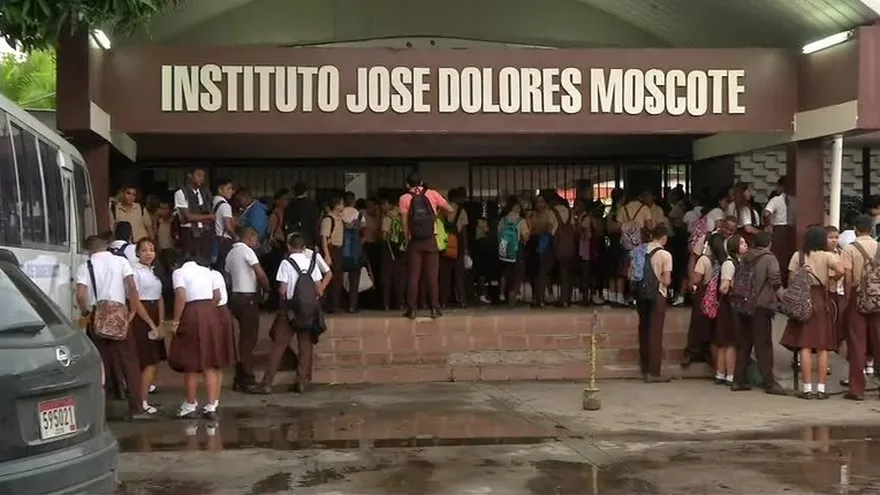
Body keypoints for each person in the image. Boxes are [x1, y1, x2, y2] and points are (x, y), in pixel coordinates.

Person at [74, 235, 158, 420]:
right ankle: (136, 409)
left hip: (98, 316)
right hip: (120, 315)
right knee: (130, 363)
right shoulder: (121, 261)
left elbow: (80, 294)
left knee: (100, 364)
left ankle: (99, 412)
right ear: (107, 247)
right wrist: (132, 312)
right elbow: (131, 288)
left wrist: (86, 312)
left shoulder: (85, 266)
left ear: (90, 250)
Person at [253, 232, 331, 394]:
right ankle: (301, 382)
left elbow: (283, 289)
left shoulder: (286, 263)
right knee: (305, 345)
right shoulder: (311, 263)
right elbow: (318, 289)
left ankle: (267, 384)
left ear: (289, 246)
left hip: (289, 310)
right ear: (304, 248)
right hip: (308, 310)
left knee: (279, 346)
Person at [167, 251, 236, 419]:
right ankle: (212, 405)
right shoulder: (208, 272)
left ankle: (190, 404)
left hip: (191, 312)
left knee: (191, 362)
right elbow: (217, 296)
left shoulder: (179, 272)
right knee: (211, 362)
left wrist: (175, 321)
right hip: (211, 312)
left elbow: (181, 296)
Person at [780, 226, 845, 400]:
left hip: (803, 301)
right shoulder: (828, 256)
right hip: (821, 300)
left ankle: (807, 388)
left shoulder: (798, 256)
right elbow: (841, 270)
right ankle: (822, 389)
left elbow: (791, 279)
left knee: (805, 346)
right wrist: (832, 281)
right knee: (822, 347)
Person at [731, 232, 786, 394]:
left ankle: (738, 380)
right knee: (763, 345)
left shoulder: (746, 257)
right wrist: (784, 299)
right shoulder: (769, 258)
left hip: (743, 304)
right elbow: (775, 282)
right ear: (769, 244)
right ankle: (769, 382)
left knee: (744, 343)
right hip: (761, 306)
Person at [226, 227, 271, 390]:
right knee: (249, 339)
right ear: (249, 237)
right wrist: (267, 288)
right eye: (255, 239)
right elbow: (259, 273)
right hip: (248, 298)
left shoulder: (230, 253)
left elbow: (228, 276)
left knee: (243, 338)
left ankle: (239, 377)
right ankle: (248, 379)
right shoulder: (247, 251)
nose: (256, 242)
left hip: (235, 297)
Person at [399, 173, 450, 319]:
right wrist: (436, 214)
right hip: (430, 239)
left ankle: (412, 309)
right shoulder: (432, 194)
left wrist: (407, 237)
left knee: (414, 275)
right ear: (421, 182)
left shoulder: (404, 198)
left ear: (408, 185)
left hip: (414, 240)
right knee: (432, 275)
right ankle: (435, 308)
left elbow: (404, 222)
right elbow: (450, 209)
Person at [841, 215, 880, 400]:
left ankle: (857, 389)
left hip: (857, 297)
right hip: (878, 298)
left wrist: (848, 299)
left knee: (857, 344)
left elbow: (847, 277)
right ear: (871, 229)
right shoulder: (878, 246)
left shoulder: (849, 249)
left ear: (855, 229)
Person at [129, 238, 168, 414]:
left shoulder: (156, 271)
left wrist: (160, 323)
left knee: (154, 360)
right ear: (137, 253)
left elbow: (159, 298)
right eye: (144, 250)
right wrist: (151, 324)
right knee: (146, 361)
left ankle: (143, 400)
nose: (148, 253)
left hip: (154, 312)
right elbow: (135, 301)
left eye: (151, 249)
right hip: (141, 316)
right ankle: (141, 402)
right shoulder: (134, 272)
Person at [633, 225, 672, 383]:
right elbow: (667, 280)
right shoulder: (665, 254)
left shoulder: (639, 250)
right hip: (657, 295)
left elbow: (631, 273)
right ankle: (654, 372)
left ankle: (644, 365)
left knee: (643, 328)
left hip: (641, 294)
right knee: (655, 332)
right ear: (664, 237)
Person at [682, 232, 723, 368]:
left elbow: (696, 279)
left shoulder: (704, 260)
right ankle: (708, 354)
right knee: (712, 325)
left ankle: (692, 351)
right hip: (719, 296)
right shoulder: (725, 261)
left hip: (703, 294)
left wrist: (692, 283)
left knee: (697, 322)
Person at [714, 234, 745, 386]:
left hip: (729, 305)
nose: (745, 245)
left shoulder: (738, 261)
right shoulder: (729, 263)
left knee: (725, 341)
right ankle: (729, 375)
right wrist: (733, 284)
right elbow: (723, 288)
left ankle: (721, 373)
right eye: (742, 243)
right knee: (729, 342)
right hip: (729, 306)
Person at [173, 167, 215, 263]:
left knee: (205, 261)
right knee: (191, 261)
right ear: (190, 175)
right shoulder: (181, 193)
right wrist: (207, 216)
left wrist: (203, 217)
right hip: (189, 232)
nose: (201, 178)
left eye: (203, 176)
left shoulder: (204, 193)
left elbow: (211, 212)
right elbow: (188, 216)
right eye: (198, 175)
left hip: (205, 231)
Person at [440, 187, 469, 308]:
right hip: (458, 245)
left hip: (445, 244)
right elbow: (463, 231)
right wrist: (466, 248)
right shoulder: (461, 211)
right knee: (459, 275)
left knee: (444, 276)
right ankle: (462, 300)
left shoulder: (442, 210)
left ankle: (443, 301)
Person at [499, 196, 529, 308]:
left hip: (505, 249)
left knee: (507, 272)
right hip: (517, 249)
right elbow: (525, 237)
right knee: (519, 273)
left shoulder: (503, 220)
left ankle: (505, 293)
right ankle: (513, 294)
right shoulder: (521, 221)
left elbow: (499, 234)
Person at [763, 177, 795, 285]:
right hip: (791, 230)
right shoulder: (794, 200)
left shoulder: (776, 200)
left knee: (778, 257)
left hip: (778, 229)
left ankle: (777, 282)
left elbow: (766, 213)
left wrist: (769, 225)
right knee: (788, 257)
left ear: (780, 187)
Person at [379, 195, 407, 310]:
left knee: (386, 278)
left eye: (383, 204)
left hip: (389, 249)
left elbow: (384, 235)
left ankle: (386, 304)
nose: (382, 207)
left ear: (390, 204)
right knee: (400, 278)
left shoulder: (388, 217)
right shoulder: (404, 216)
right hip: (402, 250)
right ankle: (400, 303)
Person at [321, 196, 346, 313]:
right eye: (341, 203)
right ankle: (329, 305)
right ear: (336, 205)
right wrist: (327, 255)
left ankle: (335, 304)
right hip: (331, 250)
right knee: (330, 278)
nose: (343, 206)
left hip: (338, 250)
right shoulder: (328, 219)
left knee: (337, 278)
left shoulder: (339, 218)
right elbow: (324, 238)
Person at [283, 182, 320, 248]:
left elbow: (285, 224)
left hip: (293, 240)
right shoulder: (312, 205)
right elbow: (315, 224)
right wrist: (316, 243)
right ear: (306, 192)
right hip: (308, 240)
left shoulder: (289, 206)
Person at [212, 178, 236, 271]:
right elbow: (228, 227)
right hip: (224, 241)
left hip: (214, 238)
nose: (232, 191)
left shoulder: (213, 202)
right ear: (220, 190)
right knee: (223, 268)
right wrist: (236, 237)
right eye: (228, 188)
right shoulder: (225, 206)